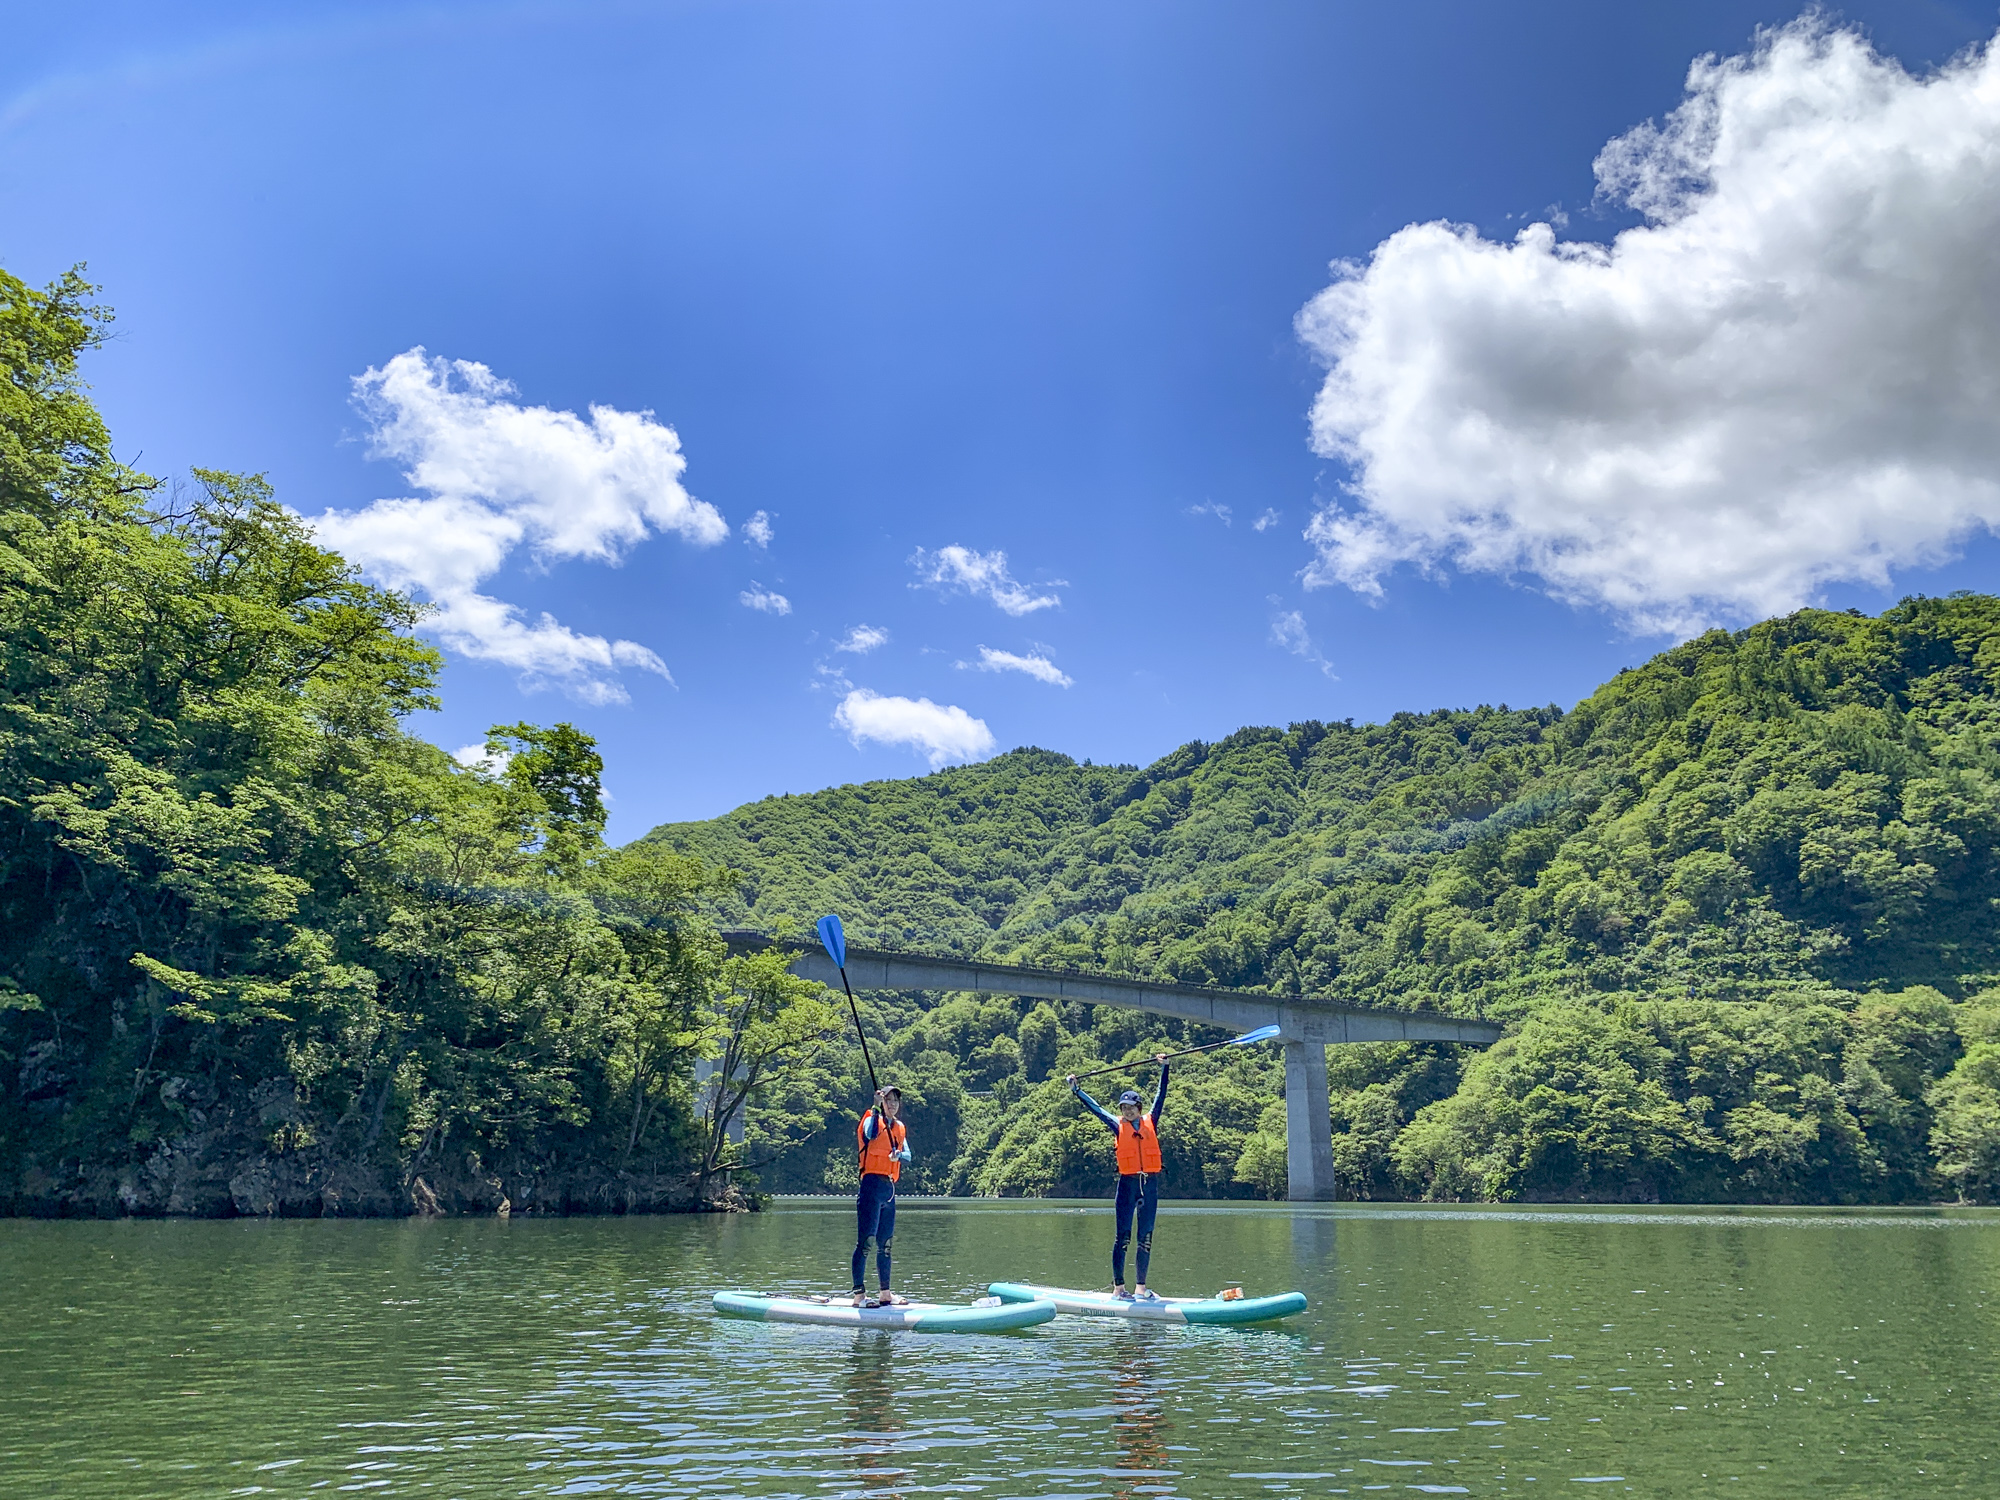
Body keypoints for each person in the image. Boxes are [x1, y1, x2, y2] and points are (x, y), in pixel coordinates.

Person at [1067, 1054, 1169, 1299]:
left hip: (1149, 1185)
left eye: (1131, 1107)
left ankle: (1141, 1289)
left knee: (1145, 1238)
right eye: (1124, 1108)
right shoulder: (1117, 1124)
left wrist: (1165, 1067)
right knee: (1122, 1237)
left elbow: (1161, 1095)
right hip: (1127, 1186)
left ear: (1139, 1108)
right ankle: (1119, 1289)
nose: (1127, 1111)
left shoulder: (1151, 1120)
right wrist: (1076, 1090)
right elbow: (1096, 1108)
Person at [852, 1086, 910, 1307]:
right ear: (881, 1102)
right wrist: (876, 1108)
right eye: (888, 1100)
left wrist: (898, 1155)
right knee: (866, 1243)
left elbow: (908, 1155)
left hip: (889, 1189)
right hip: (871, 1187)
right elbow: (870, 1134)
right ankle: (859, 1296)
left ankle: (885, 1293)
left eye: (896, 1101)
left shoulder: (899, 1127)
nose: (892, 1104)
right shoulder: (871, 1119)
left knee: (885, 1245)